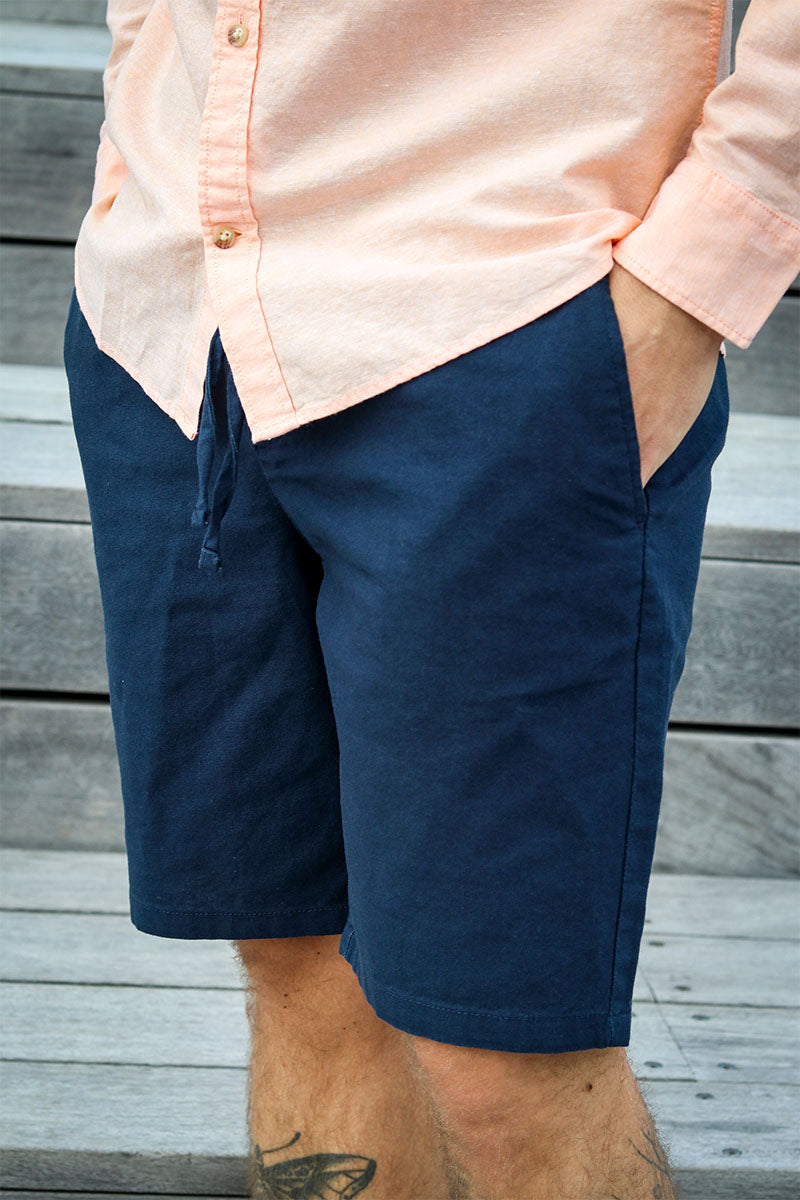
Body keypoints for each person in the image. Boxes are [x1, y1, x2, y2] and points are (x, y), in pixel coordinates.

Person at [62, 2, 799, 1196]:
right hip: (171, 321)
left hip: (503, 315)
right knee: (294, 960)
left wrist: (699, 273)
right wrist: (137, 145)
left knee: (502, 1051)